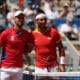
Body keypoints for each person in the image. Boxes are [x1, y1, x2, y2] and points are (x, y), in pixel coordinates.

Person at [0, 10, 33, 80]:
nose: (21, 19)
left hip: (18, 68)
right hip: (6, 68)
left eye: (22, 18)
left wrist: (26, 49)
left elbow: (29, 50)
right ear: (14, 19)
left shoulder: (27, 34)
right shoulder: (6, 33)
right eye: (18, 17)